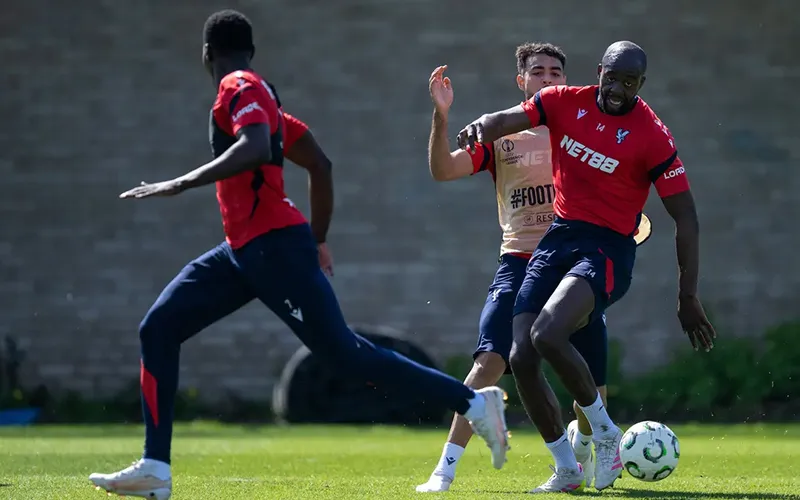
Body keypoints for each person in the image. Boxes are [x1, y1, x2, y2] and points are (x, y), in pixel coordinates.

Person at [88, 10, 509, 500]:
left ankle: (473, 404)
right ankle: (156, 468)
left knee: (345, 354)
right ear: (250, 49)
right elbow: (319, 164)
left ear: (207, 54)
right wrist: (320, 238)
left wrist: (181, 182)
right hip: (243, 251)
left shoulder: (239, 86)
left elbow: (254, 147)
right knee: (159, 328)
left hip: (273, 249)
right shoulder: (264, 101)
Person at [455, 40, 716, 493]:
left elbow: (686, 217)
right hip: (558, 238)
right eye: (612, 78)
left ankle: (606, 433)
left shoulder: (652, 134)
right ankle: (567, 468)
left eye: (629, 83)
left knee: (547, 334)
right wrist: (481, 125)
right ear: (599, 72)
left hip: (607, 249)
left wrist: (688, 295)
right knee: (521, 355)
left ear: (641, 85)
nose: (617, 89)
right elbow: (506, 120)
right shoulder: (562, 101)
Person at [417, 43, 638, 493]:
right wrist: (442, 115)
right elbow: (442, 170)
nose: (548, 79)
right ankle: (445, 470)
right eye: (538, 72)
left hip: (577, 264)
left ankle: (579, 452)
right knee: (489, 362)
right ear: (522, 81)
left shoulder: (582, 130)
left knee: (592, 391)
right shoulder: (503, 137)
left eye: (556, 72)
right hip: (520, 261)